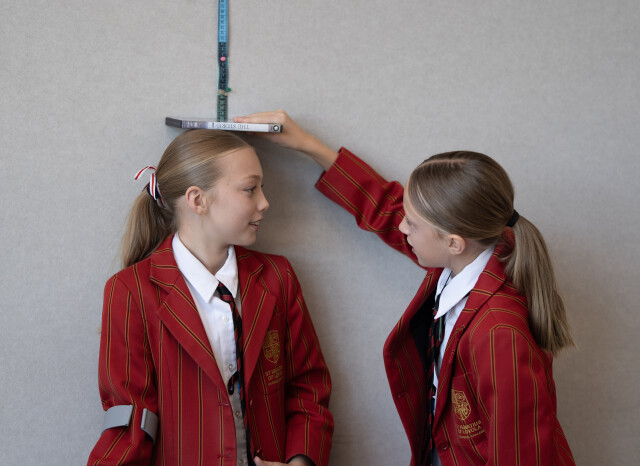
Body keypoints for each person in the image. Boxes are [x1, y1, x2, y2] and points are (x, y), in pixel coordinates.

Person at [233, 110, 576, 466]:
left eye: (411, 223)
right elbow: (385, 207)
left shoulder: (499, 332)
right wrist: (307, 144)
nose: (401, 226)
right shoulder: (467, 255)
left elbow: (522, 454)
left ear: (453, 241)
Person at [87, 129, 333, 466]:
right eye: (251, 189)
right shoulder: (130, 291)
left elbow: (309, 388)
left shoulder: (278, 278)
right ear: (198, 200)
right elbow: (129, 422)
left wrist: (300, 464)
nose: (265, 202)